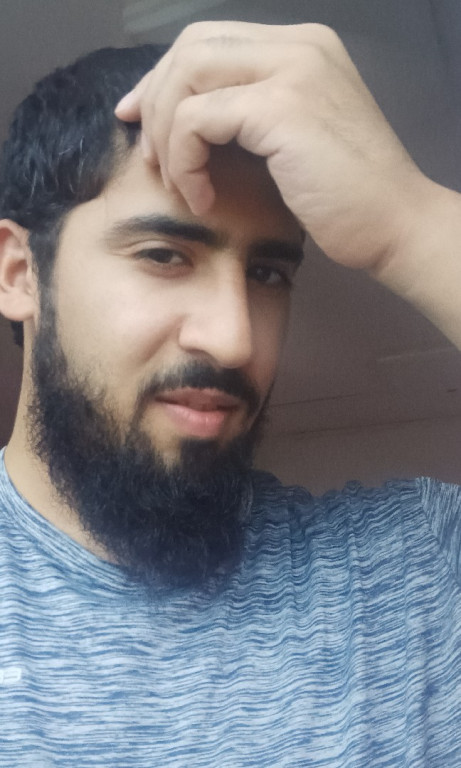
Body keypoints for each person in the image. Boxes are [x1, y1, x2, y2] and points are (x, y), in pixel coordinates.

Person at [0, 20, 460, 767]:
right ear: (20, 273)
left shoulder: (410, 578)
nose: (236, 339)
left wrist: (413, 225)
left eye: (267, 273)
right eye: (163, 255)